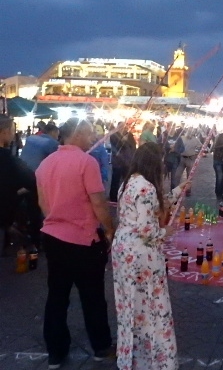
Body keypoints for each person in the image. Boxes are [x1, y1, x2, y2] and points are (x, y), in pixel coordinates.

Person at [36, 118, 115, 369]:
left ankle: (56, 352)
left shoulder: (45, 164)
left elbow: (43, 204)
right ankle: (101, 346)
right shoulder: (86, 162)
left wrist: (59, 218)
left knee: (57, 296)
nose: (93, 138)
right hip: (83, 240)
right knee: (92, 297)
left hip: (53, 237)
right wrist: (111, 230)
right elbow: (99, 203)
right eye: (90, 133)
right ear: (77, 134)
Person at [112, 143, 180, 370]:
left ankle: (131, 358)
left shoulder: (128, 183)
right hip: (142, 256)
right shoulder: (146, 187)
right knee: (152, 307)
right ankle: (155, 361)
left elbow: (151, 208)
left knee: (129, 307)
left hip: (123, 251)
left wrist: (179, 191)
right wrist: (164, 232)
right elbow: (146, 229)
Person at [0, 115, 36, 255]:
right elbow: (31, 181)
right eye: (12, 130)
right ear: (4, 132)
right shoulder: (8, 159)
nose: (14, 134)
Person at [110, 122, 137, 202]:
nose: (123, 128)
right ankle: (113, 196)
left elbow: (133, 146)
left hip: (127, 161)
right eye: (121, 126)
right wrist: (123, 140)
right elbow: (116, 147)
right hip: (117, 161)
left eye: (124, 126)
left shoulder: (129, 135)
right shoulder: (113, 136)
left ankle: (125, 195)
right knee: (116, 179)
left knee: (126, 179)